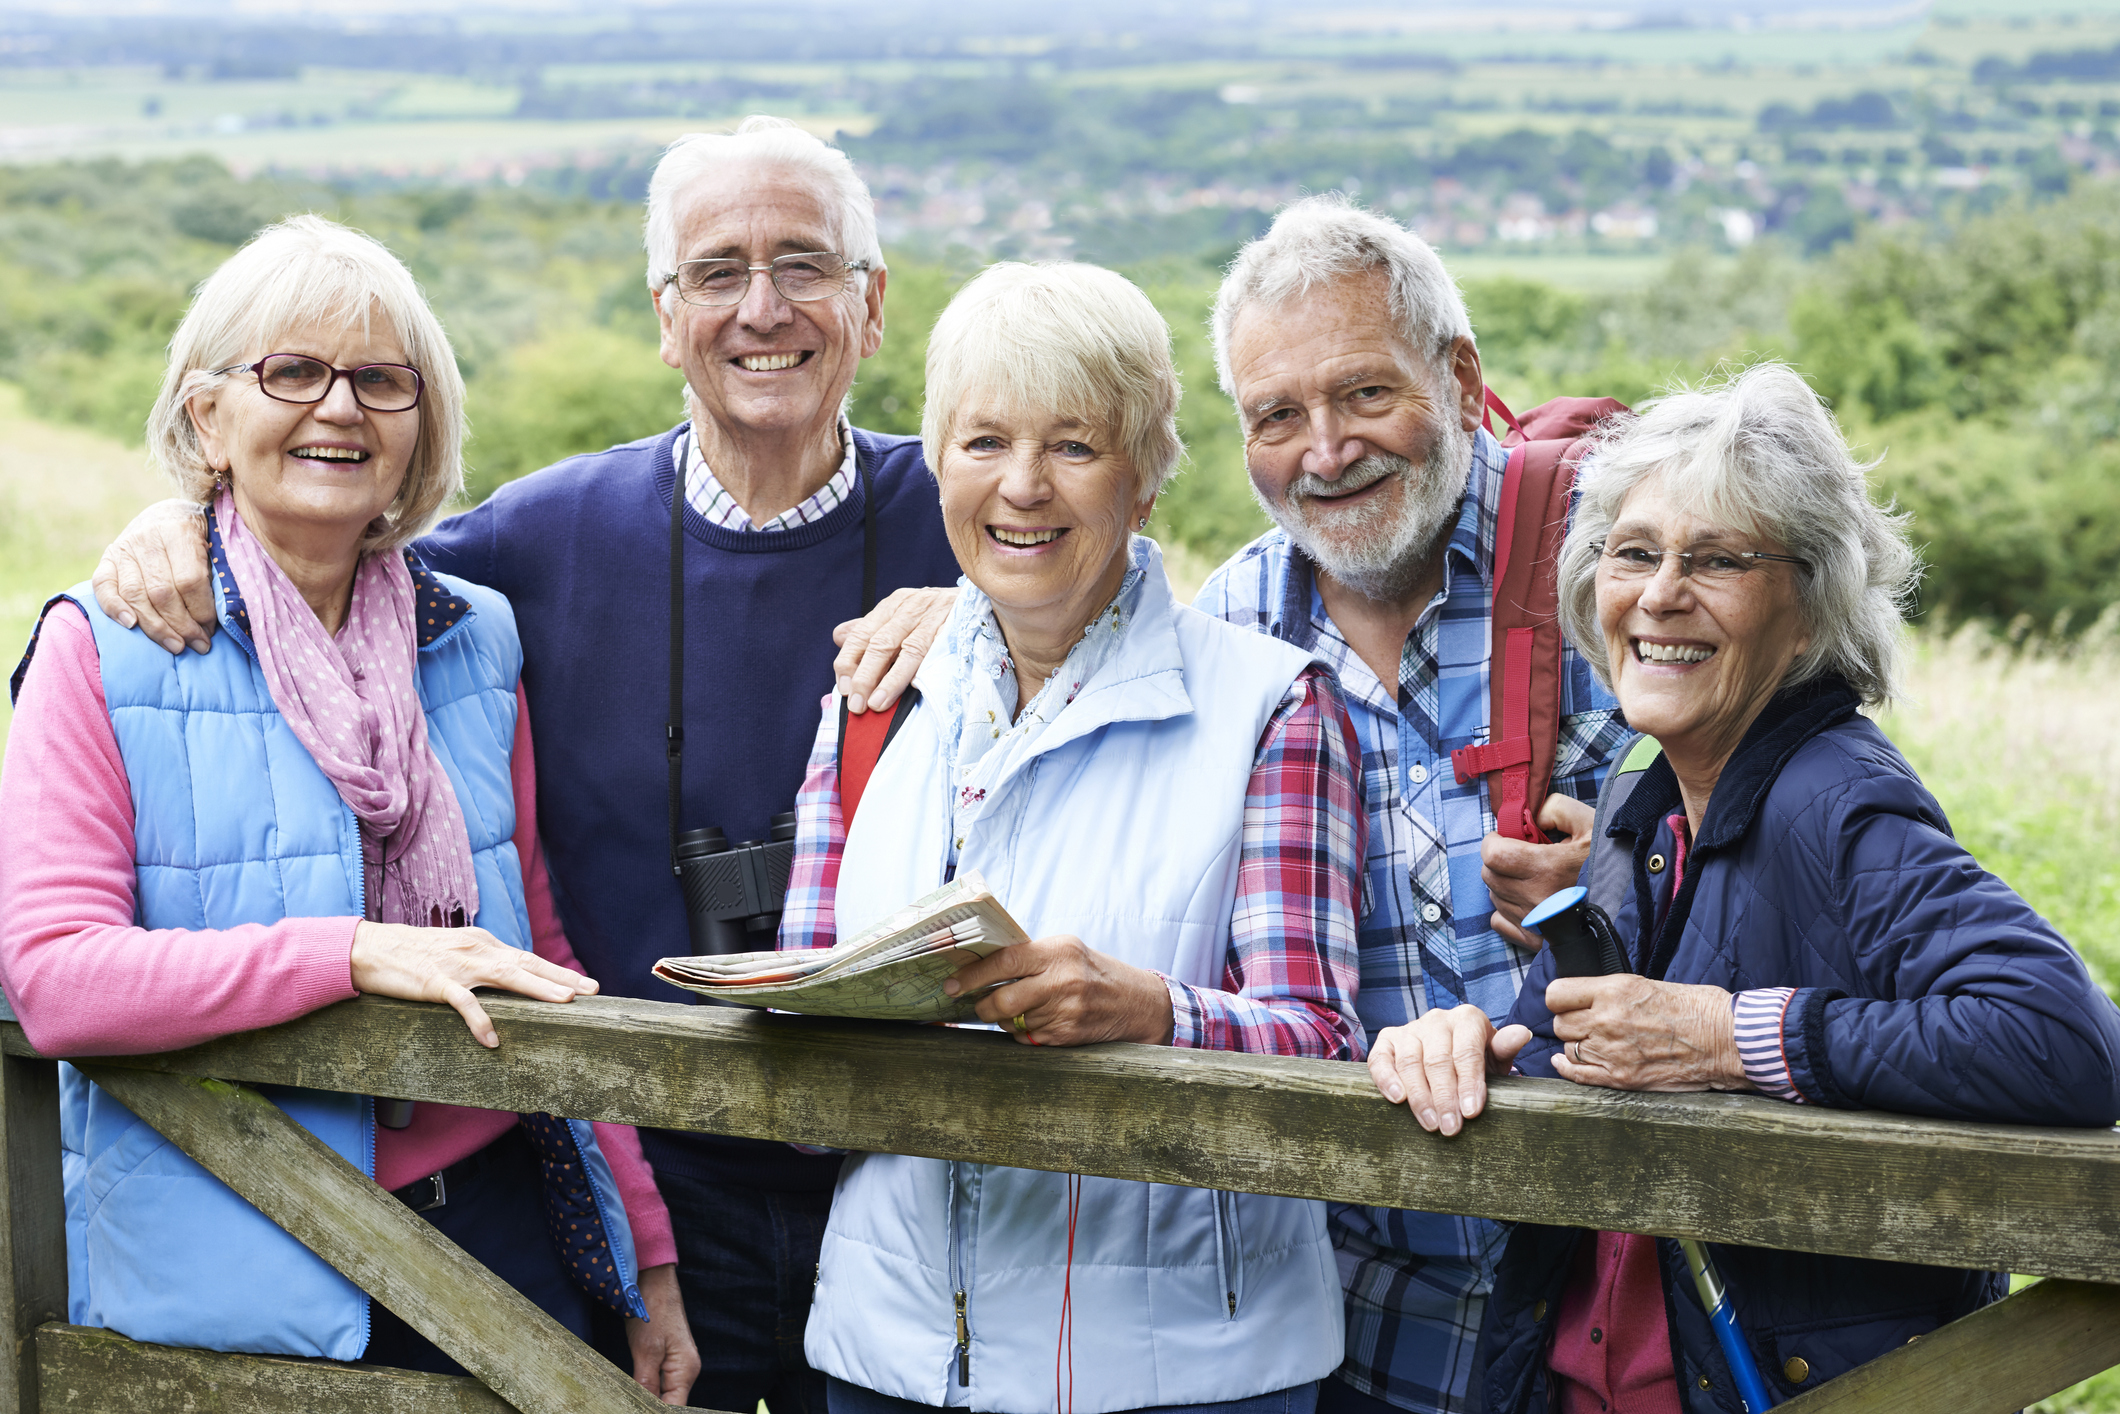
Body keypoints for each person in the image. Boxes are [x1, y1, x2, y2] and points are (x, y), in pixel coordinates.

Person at [87, 117, 964, 1412]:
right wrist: (177, 518)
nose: (762, 308)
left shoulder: (981, 514)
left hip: (925, 1169)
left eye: (806, 266)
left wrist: (998, 617)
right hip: (656, 1171)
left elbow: (1140, 622)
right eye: (718, 271)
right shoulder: (545, 536)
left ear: (872, 303)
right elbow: (327, 551)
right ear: (666, 316)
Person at [850, 196, 1631, 1414]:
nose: (1324, 451)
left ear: (1460, 377)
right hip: (1364, 1286)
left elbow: (1773, 821)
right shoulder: (1246, 618)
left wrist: (1624, 867)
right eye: (1277, 415)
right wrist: (980, 610)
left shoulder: (1613, 568)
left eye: (1364, 395)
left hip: (1603, 1246)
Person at [0, 215, 698, 1401]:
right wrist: (355, 952)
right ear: (209, 414)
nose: (340, 408)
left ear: (421, 423)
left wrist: (649, 1255)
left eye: (382, 379)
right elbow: (55, 977)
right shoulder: (102, 646)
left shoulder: (474, 638)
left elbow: (537, 943)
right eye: (291, 371)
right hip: (225, 1259)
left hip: (501, 1231)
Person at [1364, 361, 2120, 1414]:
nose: (1660, 592)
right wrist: (1452, 1045)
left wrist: (1727, 1038)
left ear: (1807, 611)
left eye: (1715, 559)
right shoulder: (1644, 802)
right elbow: (1563, 1048)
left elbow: (2067, 1040)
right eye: (1633, 553)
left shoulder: (1834, 801)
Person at [779, 261, 1369, 1414]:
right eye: (982, 441)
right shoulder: (868, 704)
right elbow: (806, 1035)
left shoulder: (1270, 710)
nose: (1022, 488)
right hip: (888, 1364)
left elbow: (1326, 1049)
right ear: (936, 460)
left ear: (1146, 475)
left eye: (1075, 446)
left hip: (1184, 1381)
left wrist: (1152, 1013)